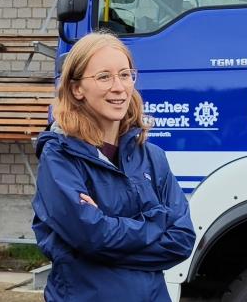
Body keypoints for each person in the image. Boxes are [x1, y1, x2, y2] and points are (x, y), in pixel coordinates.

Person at [32, 32, 196, 301]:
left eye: (125, 74)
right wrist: (157, 219)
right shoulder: (60, 158)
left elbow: (181, 240)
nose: (119, 87)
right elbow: (92, 236)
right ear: (76, 88)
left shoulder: (153, 157)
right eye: (104, 77)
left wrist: (105, 239)